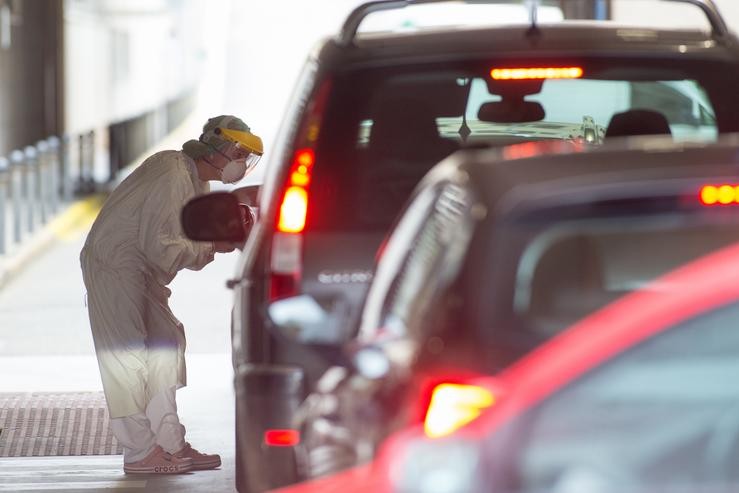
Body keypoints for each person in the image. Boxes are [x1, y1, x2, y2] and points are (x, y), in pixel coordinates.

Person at [80, 115, 262, 474]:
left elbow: (180, 244)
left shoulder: (195, 183)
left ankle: (169, 444)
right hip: (115, 266)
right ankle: (139, 454)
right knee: (127, 359)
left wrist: (214, 243)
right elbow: (161, 246)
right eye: (238, 153)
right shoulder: (172, 172)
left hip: (142, 271)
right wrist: (214, 246)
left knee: (166, 343)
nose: (241, 164)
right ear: (216, 148)